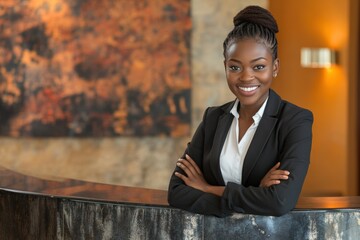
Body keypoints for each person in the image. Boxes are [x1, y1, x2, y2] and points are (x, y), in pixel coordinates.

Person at [167, 5, 313, 218]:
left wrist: (208, 189)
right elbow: (177, 193)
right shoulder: (213, 118)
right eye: (235, 67)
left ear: (275, 67)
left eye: (259, 67)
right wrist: (254, 195)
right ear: (225, 66)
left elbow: (280, 201)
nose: (246, 77)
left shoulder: (295, 121)